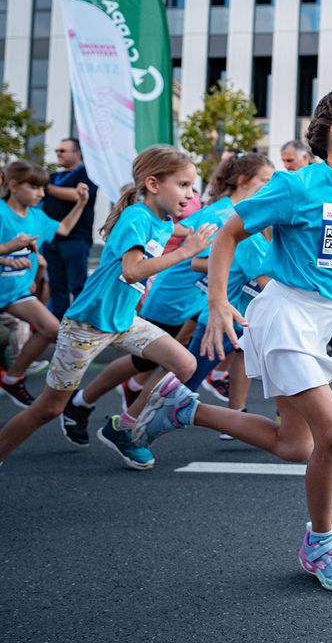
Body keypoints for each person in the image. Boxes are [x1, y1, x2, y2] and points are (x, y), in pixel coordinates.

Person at [136, 86, 332, 594]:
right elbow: (228, 235)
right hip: (284, 316)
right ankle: (321, 543)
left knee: (293, 445)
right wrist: (217, 301)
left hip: (320, 323)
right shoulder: (295, 187)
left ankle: (184, 409)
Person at [0, 146, 215, 468]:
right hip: (88, 324)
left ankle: (124, 428)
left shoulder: (163, 221)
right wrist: (186, 252)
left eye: (192, 187)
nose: (190, 194)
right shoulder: (136, 217)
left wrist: (226, 229)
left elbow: (183, 230)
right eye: (183, 185)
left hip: (124, 320)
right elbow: (132, 271)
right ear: (153, 184)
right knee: (49, 408)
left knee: (184, 364)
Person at [59, 153, 276, 457]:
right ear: (243, 181)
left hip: (203, 298)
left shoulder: (239, 214)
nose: (270, 186)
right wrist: (214, 259)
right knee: (150, 364)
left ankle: (132, 417)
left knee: (187, 361)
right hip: (176, 295)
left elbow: (177, 230)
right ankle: (90, 406)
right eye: (265, 180)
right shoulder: (224, 214)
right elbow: (194, 253)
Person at [0, 161, 90, 407]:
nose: (41, 193)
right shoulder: (2, 213)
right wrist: (7, 250)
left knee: (51, 328)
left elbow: (65, 228)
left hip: (15, 293)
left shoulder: (37, 216)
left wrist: (81, 203)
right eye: (34, 187)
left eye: (43, 188)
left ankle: (12, 378)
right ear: (14, 186)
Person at [41, 137, 99, 318]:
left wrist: (48, 188)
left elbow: (79, 195)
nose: (58, 153)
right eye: (57, 150)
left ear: (77, 153)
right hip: (51, 238)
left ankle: (81, 325)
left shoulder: (88, 174)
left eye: (63, 150)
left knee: (77, 285)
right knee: (57, 286)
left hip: (76, 239)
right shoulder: (53, 177)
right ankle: (59, 325)